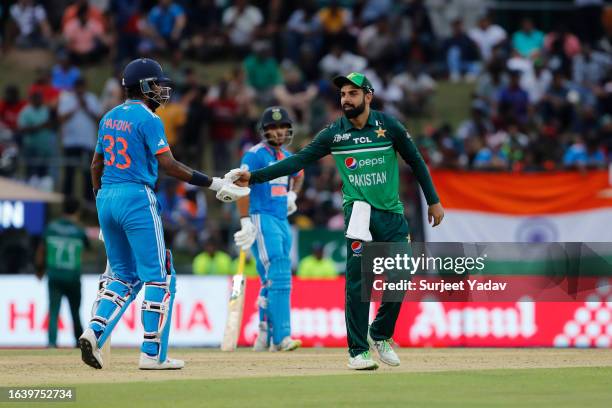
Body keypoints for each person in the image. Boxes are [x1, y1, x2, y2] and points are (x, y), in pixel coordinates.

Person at [227, 72, 444, 370]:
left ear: (368, 96)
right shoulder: (334, 134)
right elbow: (296, 161)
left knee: (401, 273)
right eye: (343, 94)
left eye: (352, 94)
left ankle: (379, 333)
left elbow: (416, 160)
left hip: (392, 213)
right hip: (358, 213)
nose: (346, 99)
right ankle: (357, 351)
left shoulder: (388, 126)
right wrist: (254, 177)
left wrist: (433, 200)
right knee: (359, 282)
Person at [79, 57, 249, 370]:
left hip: (106, 197)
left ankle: (94, 330)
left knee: (121, 276)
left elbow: (95, 165)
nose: (161, 89)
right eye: (156, 84)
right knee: (160, 277)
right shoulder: (149, 119)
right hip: (136, 198)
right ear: (143, 86)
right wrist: (213, 183)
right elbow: (169, 166)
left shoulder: (108, 116)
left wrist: (101, 202)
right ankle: (152, 354)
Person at [233, 106, 304, 352]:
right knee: (279, 271)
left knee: (270, 280)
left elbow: (300, 173)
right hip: (261, 218)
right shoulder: (254, 155)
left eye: (283, 126)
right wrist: (244, 219)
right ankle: (282, 337)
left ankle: (264, 333)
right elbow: (241, 184)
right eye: (273, 127)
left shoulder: (286, 155)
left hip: (282, 220)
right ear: (263, 131)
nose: (279, 131)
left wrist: (292, 194)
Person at [36, 197, 88, 348]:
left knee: (53, 311)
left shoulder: (51, 227)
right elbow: (87, 249)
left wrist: (39, 269)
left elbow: (41, 249)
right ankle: (80, 343)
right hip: (73, 275)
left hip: (55, 274)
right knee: (75, 311)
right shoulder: (79, 229)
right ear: (77, 210)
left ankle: (52, 343)